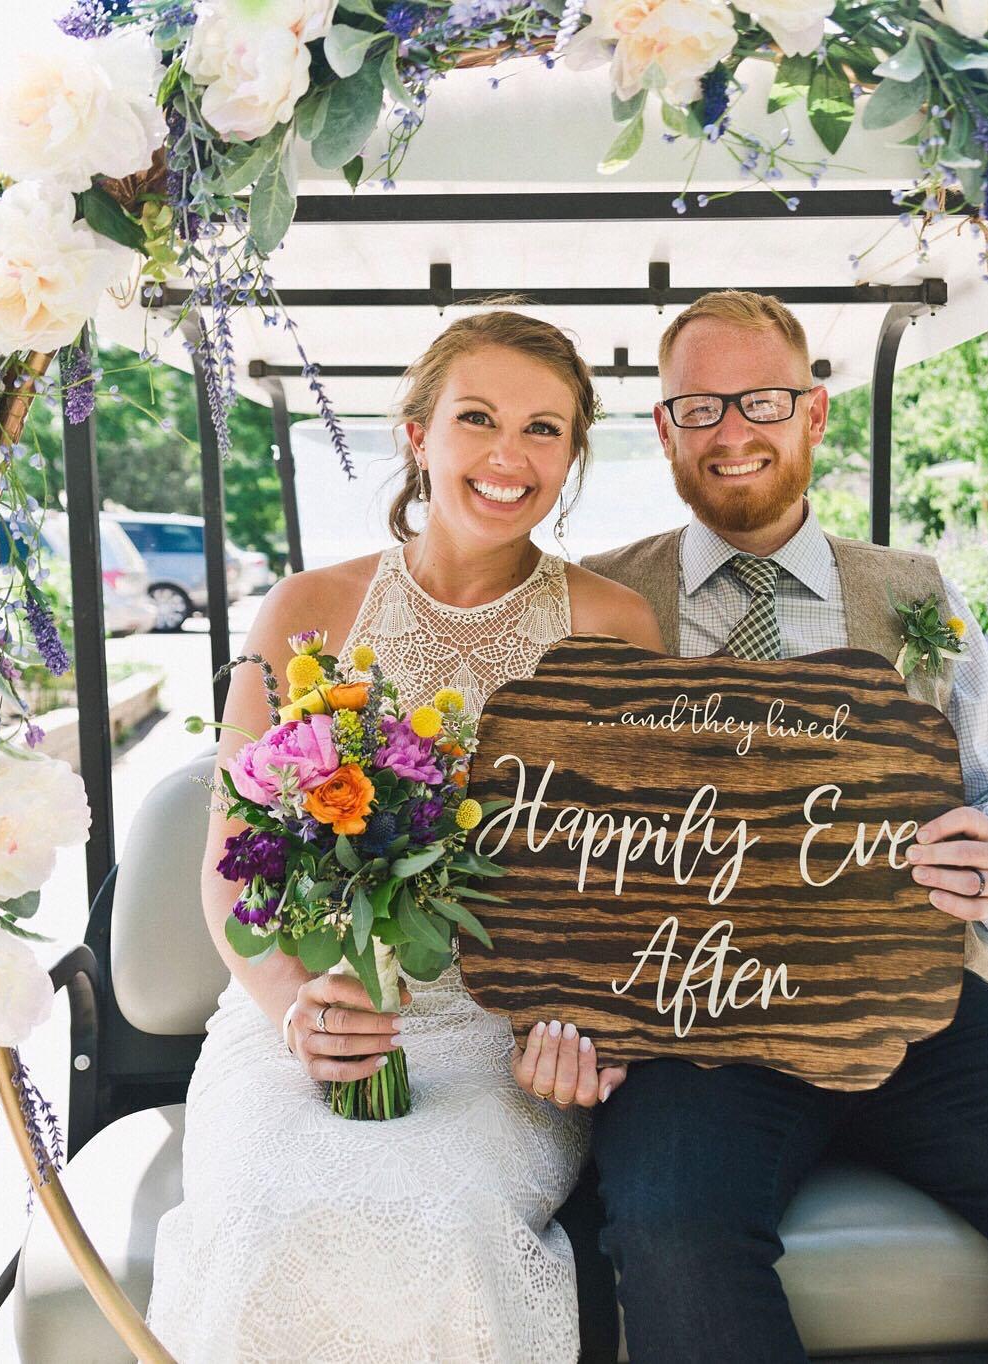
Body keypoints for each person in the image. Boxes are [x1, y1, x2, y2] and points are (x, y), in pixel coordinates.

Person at [576, 291, 988, 1363]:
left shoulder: (915, 589)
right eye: (698, 407)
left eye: (762, 400)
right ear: (665, 428)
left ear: (814, 413)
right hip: (694, 1027)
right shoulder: (596, 596)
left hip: (912, 1004)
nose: (731, 431)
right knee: (675, 1232)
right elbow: (546, 830)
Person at [146, 310, 660, 1363]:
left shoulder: (616, 626)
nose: (509, 456)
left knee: (444, 1225)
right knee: (268, 1218)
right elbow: (231, 863)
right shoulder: (307, 608)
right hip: (309, 1004)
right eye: (477, 418)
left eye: (544, 429)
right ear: (418, 433)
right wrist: (296, 1008)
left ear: (571, 455)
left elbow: (638, 878)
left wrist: (583, 1015)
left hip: (499, 1033)